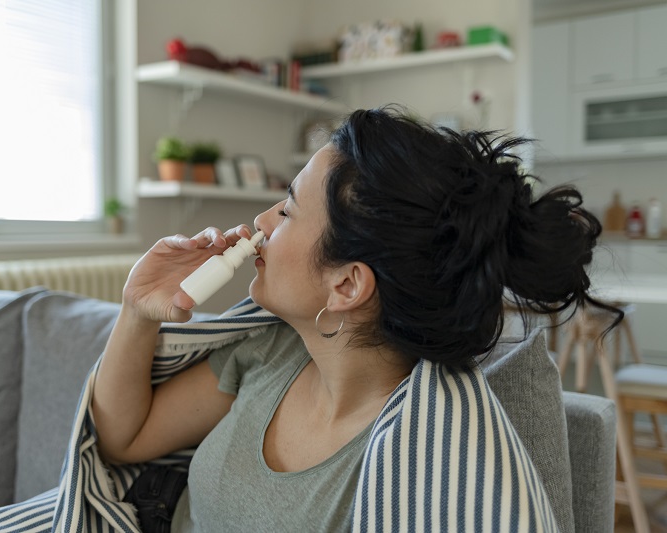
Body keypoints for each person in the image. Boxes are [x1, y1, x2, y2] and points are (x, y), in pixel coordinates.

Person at [91, 106, 619, 532]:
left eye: (289, 209)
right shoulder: (272, 351)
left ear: (346, 285)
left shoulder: (415, 464)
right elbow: (124, 440)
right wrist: (138, 311)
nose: (261, 221)